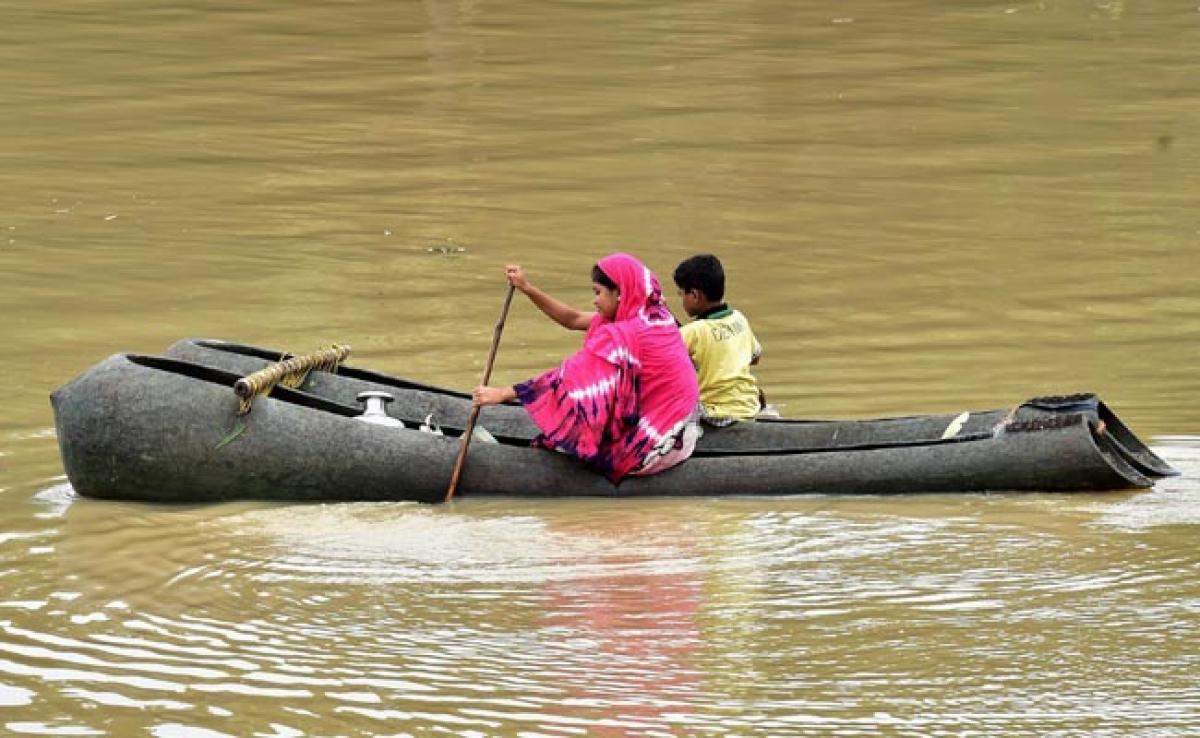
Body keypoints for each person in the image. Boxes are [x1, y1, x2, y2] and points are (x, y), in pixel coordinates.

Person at [472, 253, 701, 483]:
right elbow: (572, 319)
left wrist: (502, 394)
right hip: (682, 431)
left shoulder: (627, 334)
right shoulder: (654, 315)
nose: (595, 300)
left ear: (620, 293)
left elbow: (564, 378)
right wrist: (527, 288)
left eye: (598, 292)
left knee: (573, 424)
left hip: (659, 445)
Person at [672, 254, 763, 426]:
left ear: (695, 295)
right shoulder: (739, 319)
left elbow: (662, 364)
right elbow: (756, 357)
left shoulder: (692, 332)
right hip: (749, 407)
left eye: (681, 294)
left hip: (715, 415)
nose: (681, 299)